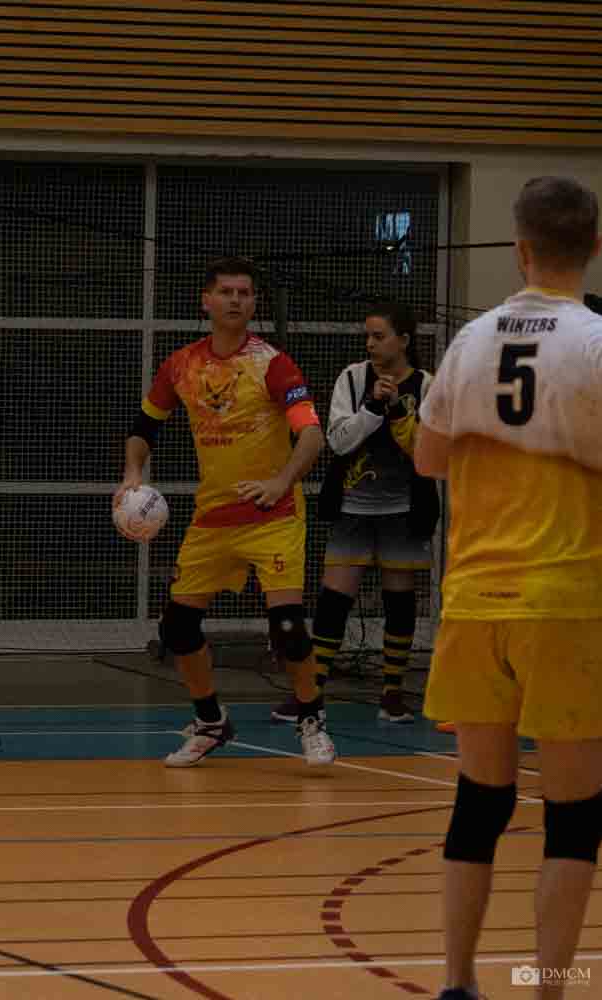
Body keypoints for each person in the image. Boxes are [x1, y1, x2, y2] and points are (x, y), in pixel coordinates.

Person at [415, 176, 602, 1000]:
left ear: (520, 248)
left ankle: (458, 982)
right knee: (575, 814)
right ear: (593, 248)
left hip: (473, 597)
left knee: (479, 800)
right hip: (565, 599)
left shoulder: (470, 339)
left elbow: (428, 458)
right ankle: (548, 989)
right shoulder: (594, 342)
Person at [118, 256, 334, 767]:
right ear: (207, 301)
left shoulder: (273, 364)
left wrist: (281, 480)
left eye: (245, 293)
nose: (236, 300)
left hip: (273, 514)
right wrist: (132, 473)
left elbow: (311, 433)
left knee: (288, 628)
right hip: (213, 519)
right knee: (177, 628)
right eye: (227, 291)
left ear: (253, 303)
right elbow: (144, 427)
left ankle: (311, 718)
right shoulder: (180, 366)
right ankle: (211, 721)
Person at [270, 301, 439, 725]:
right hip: (353, 507)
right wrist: (372, 409)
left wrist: (398, 410)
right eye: (367, 336)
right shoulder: (352, 377)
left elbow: (426, 453)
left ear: (403, 340)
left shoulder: (427, 384)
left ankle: (392, 692)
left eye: (379, 336)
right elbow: (339, 441)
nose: (370, 344)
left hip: (404, 509)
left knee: (399, 599)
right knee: (334, 598)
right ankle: (311, 692)